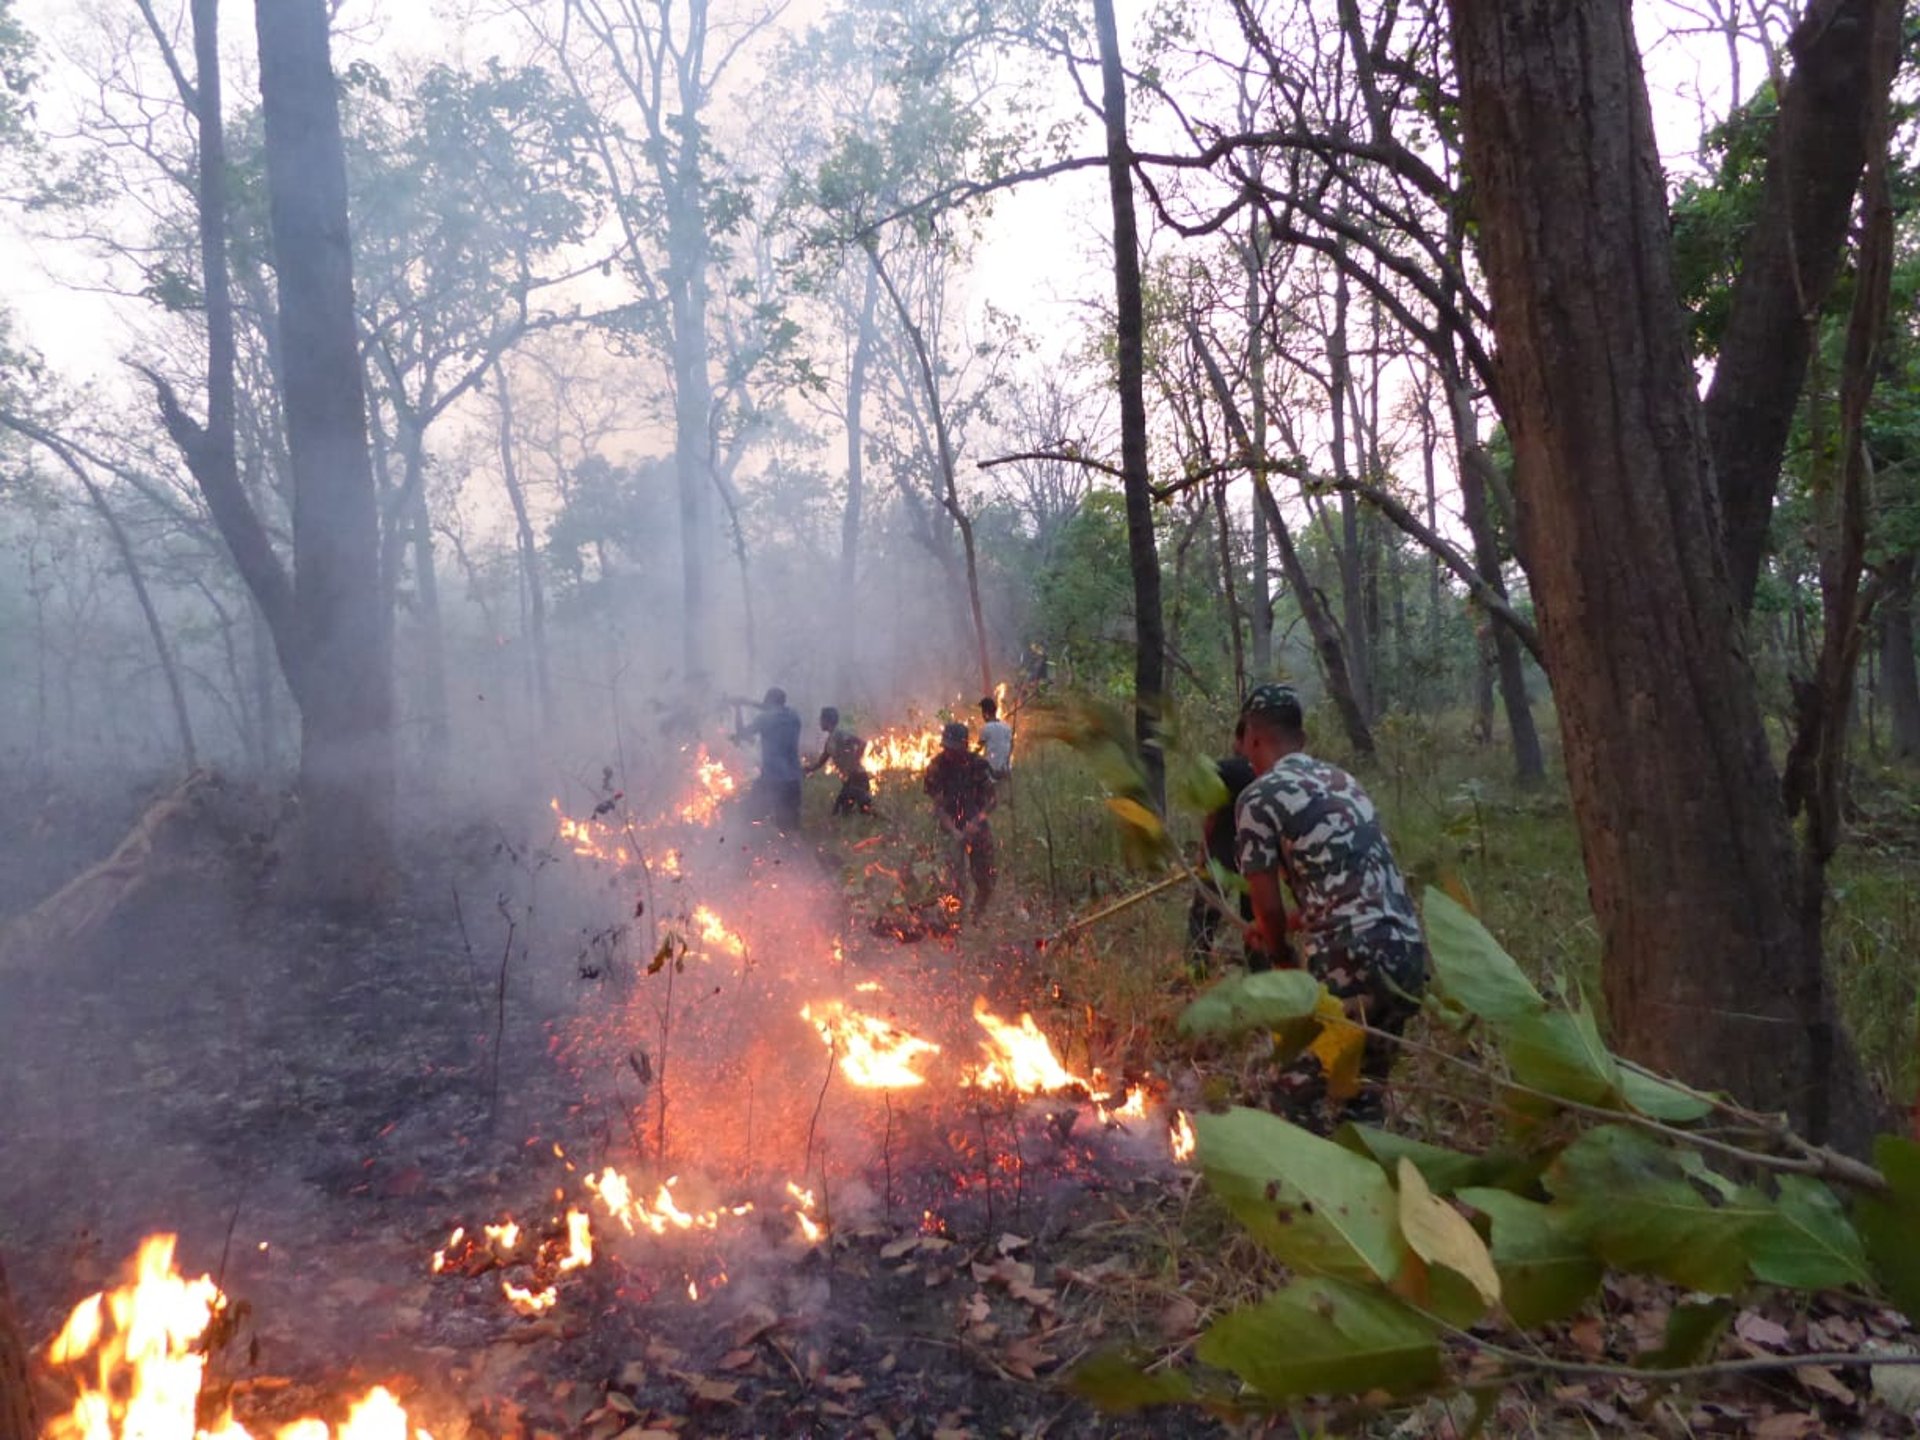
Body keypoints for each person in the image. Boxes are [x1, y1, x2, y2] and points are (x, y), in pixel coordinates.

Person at [1233, 683, 1427, 1130]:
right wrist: (1290, 924)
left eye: (1244, 743)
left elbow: (1266, 905)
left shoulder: (1258, 797)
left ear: (1253, 738)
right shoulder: (1344, 782)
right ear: (1300, 737)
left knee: (1293, 1093)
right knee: (1361, 1090)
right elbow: (1348, 886)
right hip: (1406, 953)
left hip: (1350, 958)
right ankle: (1367, 1166)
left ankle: (1301, 1175)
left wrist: (1281, 954)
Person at [1187, 721, 1258, 969]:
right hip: (1256, 857)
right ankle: (1259, 971)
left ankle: (1197, 969)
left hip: (1222, 854)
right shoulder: (1267, 772)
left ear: (1240, 740)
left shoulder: (1224, 769)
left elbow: (1213, 814)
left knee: (1203, 915)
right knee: (1255, 919)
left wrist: (1203, 851)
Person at [923, 720, 998, 914]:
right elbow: (938, 806)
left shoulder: (978, 765)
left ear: (965, 745)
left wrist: (976, 822)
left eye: (954, 748)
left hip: (977, 825)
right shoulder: (937, 766)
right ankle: (955, 919)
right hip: (949, 828)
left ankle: (977, 914)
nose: (949, 753)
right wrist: (954, 831)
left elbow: (992, 800)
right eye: (947, 748)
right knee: (953, 880)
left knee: (986, 878)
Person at [731, 686, 803, 832]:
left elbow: (742, 733)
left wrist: (738, 707)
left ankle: (747, 841)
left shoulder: (764, 719)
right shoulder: (794, 716)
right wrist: (748, 702)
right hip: (794, 780)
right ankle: (795, 846)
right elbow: (772, 709)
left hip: (772, 780)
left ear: (769, 701)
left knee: (748, 814)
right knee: (790, 827)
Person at [805, 705, 874, 816]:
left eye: (821, 719)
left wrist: (854, 761)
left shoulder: (840, 734)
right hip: (850, 780)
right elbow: (821, 762)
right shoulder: (830, 741)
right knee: (842, 812)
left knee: (863, 811)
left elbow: (862, 743)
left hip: (858, 777)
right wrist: (807, 769)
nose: (819, 722)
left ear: (827, 721)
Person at [979, 695, 1014, 781]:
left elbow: (978, 748)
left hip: (991, 772)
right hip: (1006, 770)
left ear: (985, 713)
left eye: (982, 712)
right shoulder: (1007, 727)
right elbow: (1011, 746)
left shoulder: (986, 728)